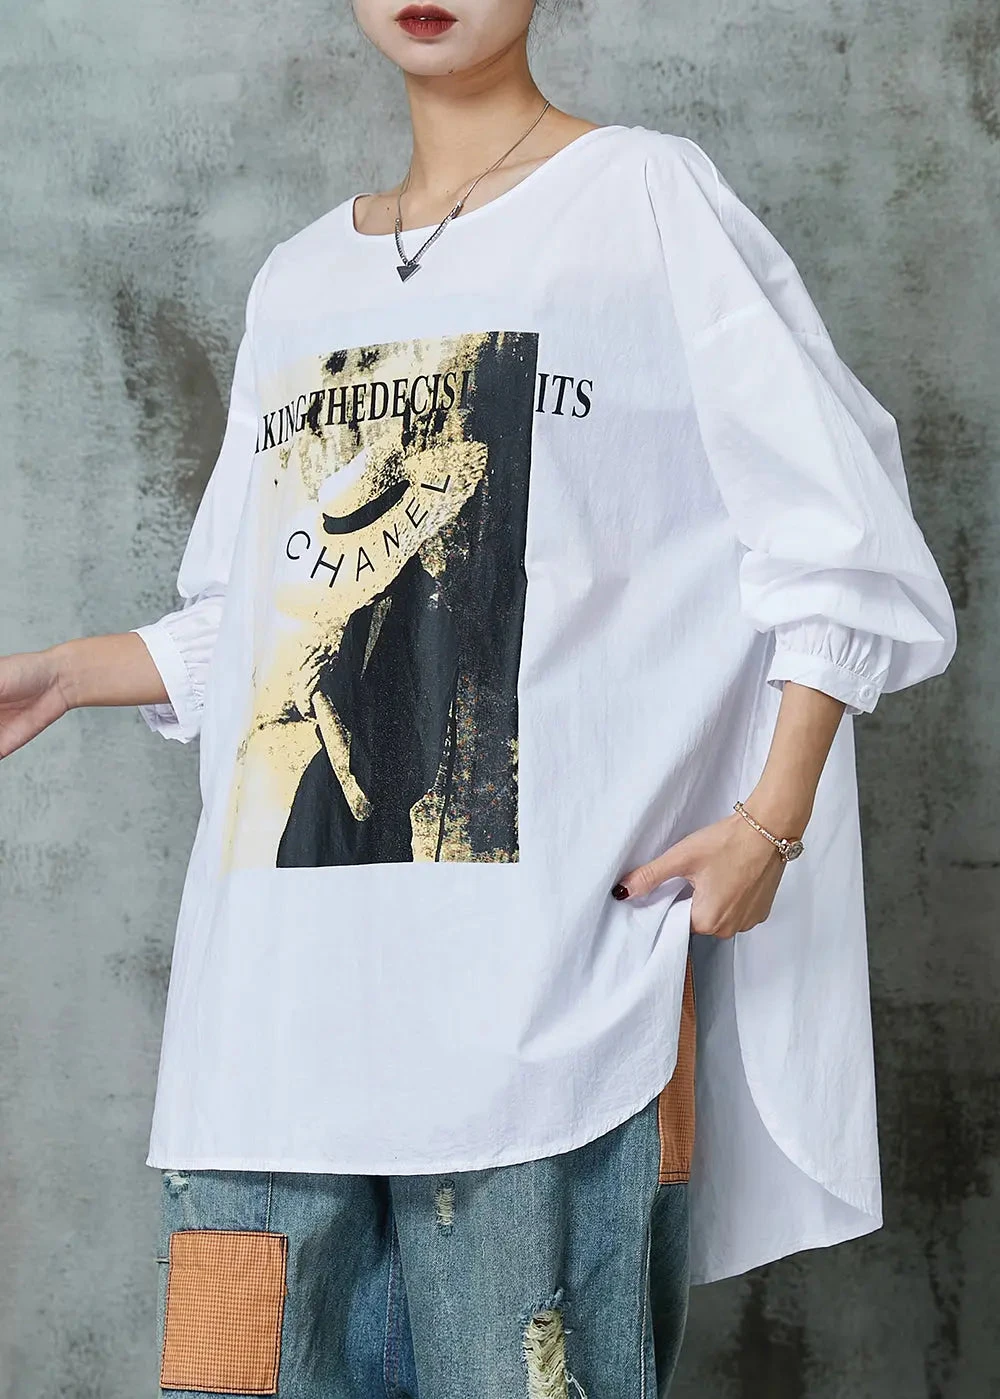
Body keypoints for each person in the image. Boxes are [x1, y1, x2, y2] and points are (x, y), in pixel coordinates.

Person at [0, 1, 957, 1394]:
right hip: (270, 1030)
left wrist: (772, 820)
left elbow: (835, 537)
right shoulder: (298, 279)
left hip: (545, 1009)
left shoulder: (640, 197)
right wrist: (69, 671)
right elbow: (265, 618)